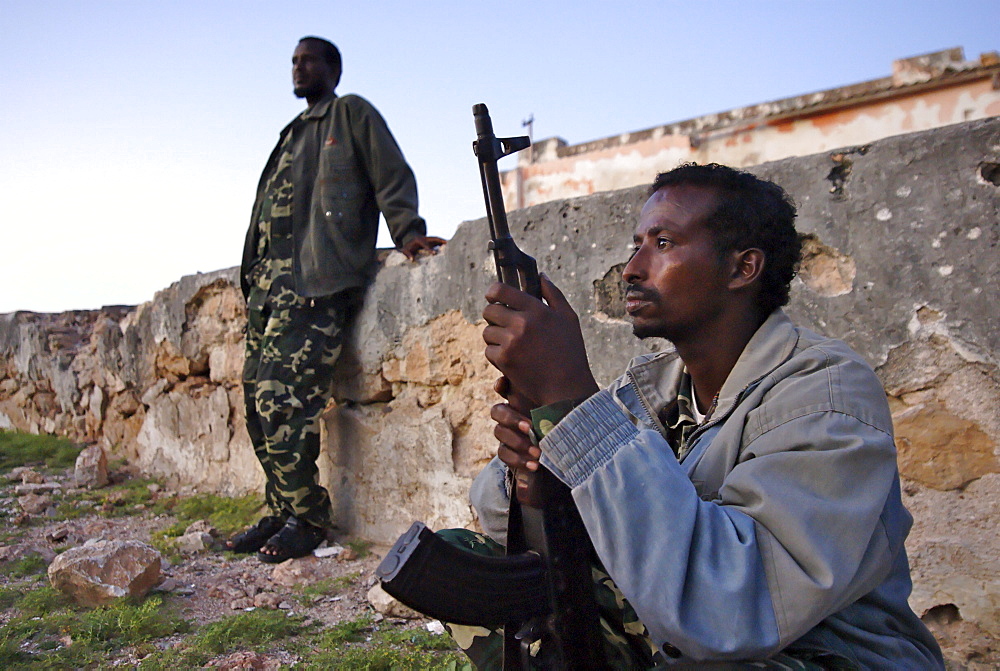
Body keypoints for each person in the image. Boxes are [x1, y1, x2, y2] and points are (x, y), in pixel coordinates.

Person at [450, 163, 943, 668]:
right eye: (636, 243)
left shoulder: (827, 394)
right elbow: (499, 518)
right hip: (686, 642)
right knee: (467, 567)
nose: (632, 269)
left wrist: (573, 395)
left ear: (741, 268)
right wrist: (536, 482)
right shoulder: (651, 388)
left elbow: (732, 609)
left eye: (663, 243)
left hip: (818, 655)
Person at [228, 36, 445, 564]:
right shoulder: (292, 134)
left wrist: (407, 231)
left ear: (333, 68)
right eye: (294, 61)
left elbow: (388, 171)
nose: (299, 68)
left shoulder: (349, 115)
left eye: (309, 60)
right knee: (257, 400)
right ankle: (281, 508)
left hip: (317, 285)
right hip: (270, 292)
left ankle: (307, 517)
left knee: (284, 401)